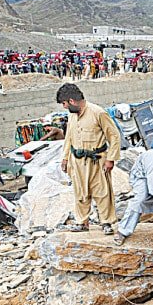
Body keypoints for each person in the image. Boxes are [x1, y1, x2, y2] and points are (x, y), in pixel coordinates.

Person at [58, 83, 121, 235]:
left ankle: (106, 222)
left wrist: (110, 159)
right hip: (77, 161)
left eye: (65, 104)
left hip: (97, 160)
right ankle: (82, 222)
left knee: (102, 192)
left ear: (72, 101)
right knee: (80, 192)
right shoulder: (72, 116)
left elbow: (114, 136)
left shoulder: (98, 113)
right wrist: (65, 158)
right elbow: (69, 138)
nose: (64, 107)